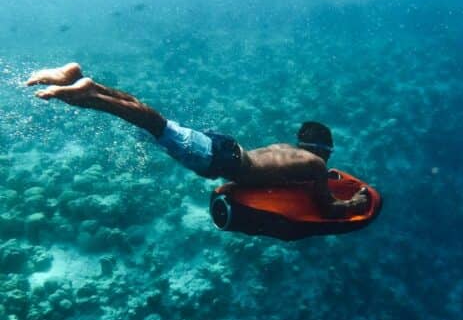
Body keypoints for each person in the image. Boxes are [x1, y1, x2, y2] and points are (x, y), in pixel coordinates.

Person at [26, 63, 368, 218]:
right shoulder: (316, 165)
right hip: (221, 160)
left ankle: (86, 81)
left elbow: (274, 180)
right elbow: (326, 207)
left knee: (158, 120)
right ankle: (89, 95)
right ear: (323, 151)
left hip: (227, 147)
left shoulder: (289, 152)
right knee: (155, 124)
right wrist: (354, 203)